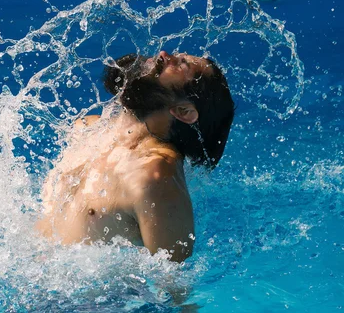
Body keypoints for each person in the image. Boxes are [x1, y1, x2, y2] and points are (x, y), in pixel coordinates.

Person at [37, 51, 235, 262]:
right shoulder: (86, 129)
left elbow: (174, 285)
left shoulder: (154, 177)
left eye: (181, 65)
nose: (163, 54)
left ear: (184, 112)